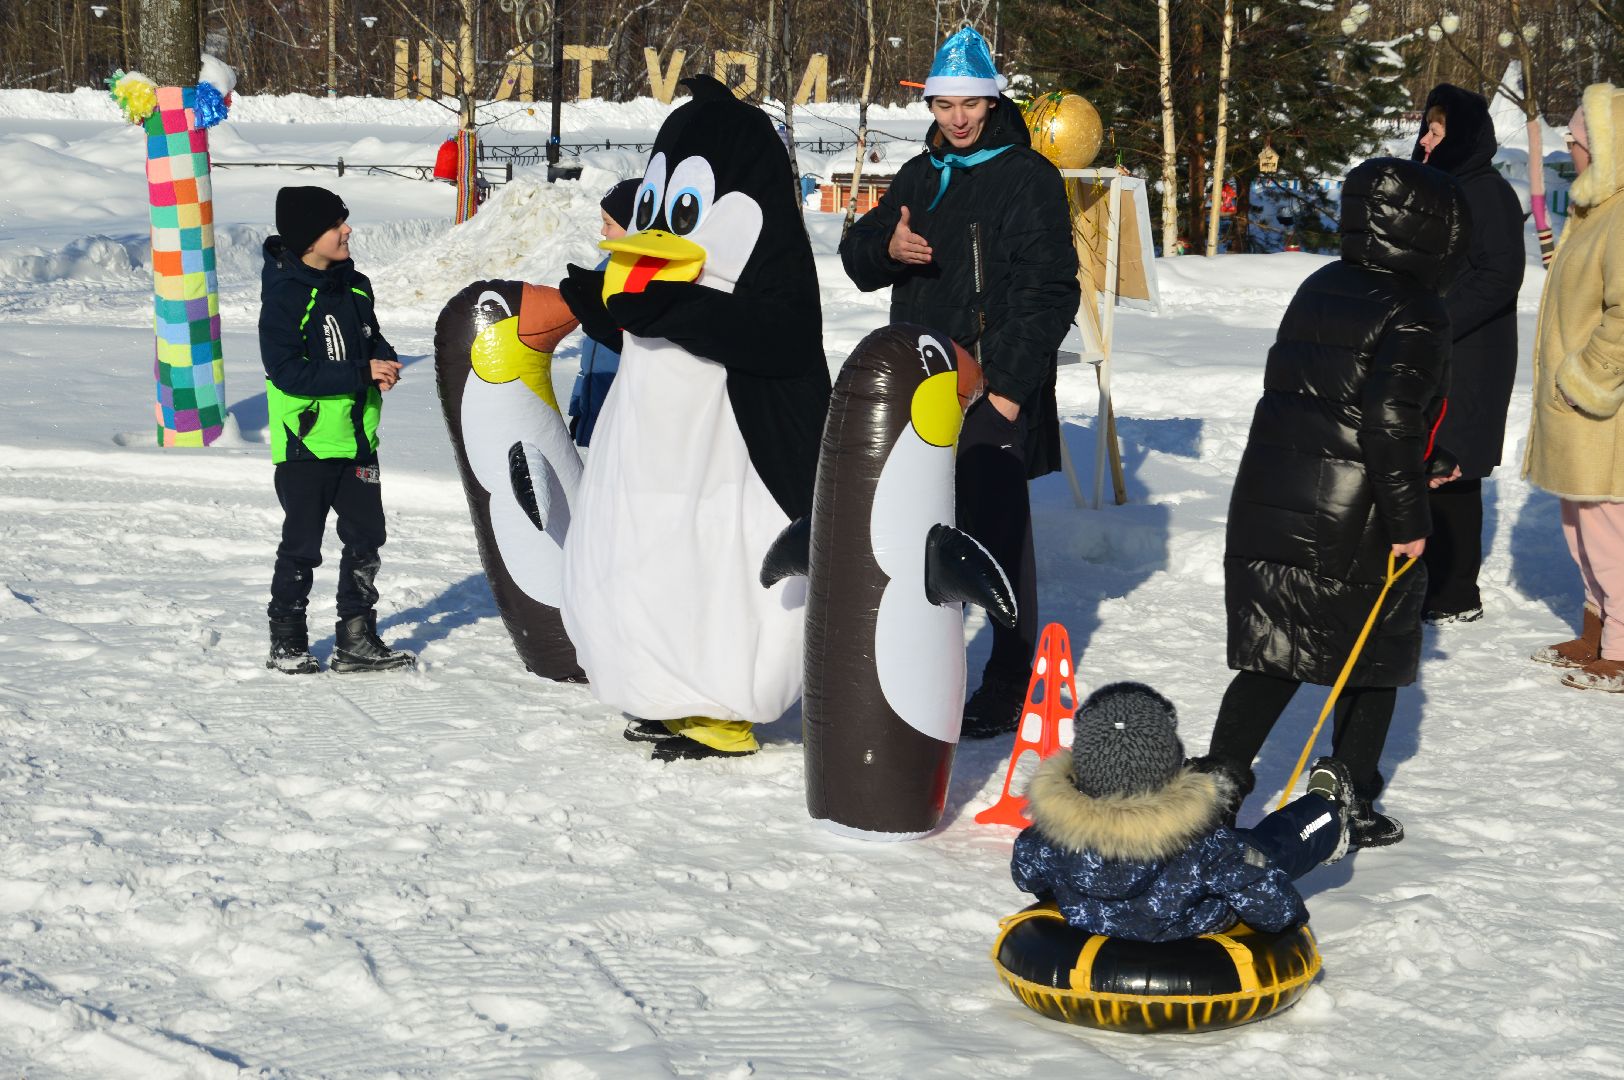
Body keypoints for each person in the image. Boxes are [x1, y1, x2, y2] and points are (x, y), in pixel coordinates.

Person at [1199, 158, 1469, 849]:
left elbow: (1332, 399)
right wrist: (1411, 520)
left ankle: (1219, 785)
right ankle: (1347, 789)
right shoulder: (1417, 309)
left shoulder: (1322, 283)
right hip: (1354, 517)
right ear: (1434, 231)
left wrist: (1422, 460)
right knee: (1376, 651)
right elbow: (1385, 419)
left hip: (1278, 493)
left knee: (1276, 645)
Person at [839, 27, 1080, 739]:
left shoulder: (1028, 178)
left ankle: (1011, 677)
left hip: (989, 384)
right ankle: (926, 658)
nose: (957, 118)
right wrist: (886, 246)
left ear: (992, 99)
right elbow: (857, 254)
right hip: (924, 384)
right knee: (923, 527)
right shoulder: (921, 174)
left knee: (999, 535)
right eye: (945, 104)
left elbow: (1051, 291)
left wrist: (1007, 389)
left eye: (969, 103)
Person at [1010, 683, 1354, 943]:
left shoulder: (1047, 838)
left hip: (1090, 922)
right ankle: (1326, 810)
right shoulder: (1206, 847)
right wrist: (1290, 924)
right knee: (1270, 848)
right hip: (1186, 934)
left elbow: (1027, 875)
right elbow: (1271, 905)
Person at [260, 186, 416, 675]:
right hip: (306, 445)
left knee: (367, 538)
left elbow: (370, 335)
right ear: (309, 238)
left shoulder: (355, 284)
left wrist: (382, 359)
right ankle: (287, 638)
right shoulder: (285, 296)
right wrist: (360, 373)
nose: (347, 231)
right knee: (302, 544)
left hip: (358, 440)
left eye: (345, 222)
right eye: (336, 225)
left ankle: (356, 638)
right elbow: (287, 373)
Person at [1411, 85, 1527, 623]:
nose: (1426, 141)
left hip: (1473, 350)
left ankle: (1456, 594)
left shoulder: (1486, 192)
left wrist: (1440, 316)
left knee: (1453, 465)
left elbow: (1500, 274)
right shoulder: (1441, 188)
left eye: (1437, 132)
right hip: (1437, 344)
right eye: (1425, 130)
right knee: (1426, 462)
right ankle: (1426, 581)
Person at [1524, 83, 1624, 693]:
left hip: (1601, 409)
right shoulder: (1590, 210)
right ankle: (1596, 628)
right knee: (1577, 520)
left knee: (1608, 524)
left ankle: (1622, 645)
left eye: (1578, 137)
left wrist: (1586, 377)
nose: (1569, 145)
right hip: (1572, 411)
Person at [566, 178, 638, 447]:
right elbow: (593, 350)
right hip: (598, 400)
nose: (602, 231)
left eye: (609, 223)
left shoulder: (650, 279)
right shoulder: (605, 269)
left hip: (627, 417)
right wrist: (581, 405)